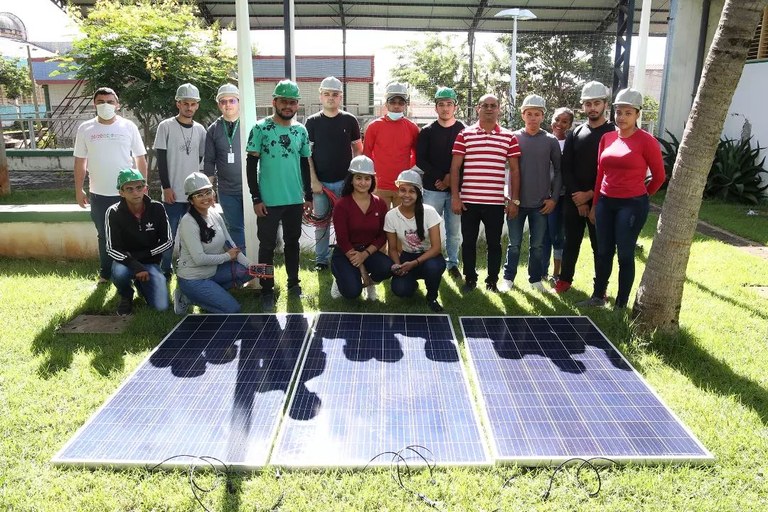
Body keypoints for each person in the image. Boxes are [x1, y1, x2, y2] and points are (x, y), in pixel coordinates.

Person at [581, 88, 665, 309]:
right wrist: (595, 204)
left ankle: (621, 303)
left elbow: (659, 176)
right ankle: (598, 296)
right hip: (606, 203)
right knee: (603, 251)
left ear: (637, 115)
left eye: (628, 113)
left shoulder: (647, 141)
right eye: (619, 112)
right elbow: (600, 174)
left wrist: (642, 196)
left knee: (625, 254)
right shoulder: (607, 138)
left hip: (632, 204)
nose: (622, 117)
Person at [246, 79, 312, 311]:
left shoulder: (300, 130)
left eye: (292, 102)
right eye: (284, 101)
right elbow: (251, 165)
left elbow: (304, 163)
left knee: (292, 244)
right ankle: (266, 290)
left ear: (297, 105)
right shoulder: (260, 128)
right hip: (268, 201)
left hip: (294, 199)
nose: (288, 106)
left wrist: (309, 196)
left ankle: (294, 284)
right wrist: (256, 197)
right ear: (274, 101)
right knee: (265, 246)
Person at [74, 87, 148, 284]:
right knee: (104, 236)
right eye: (100, 101)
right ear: (94, 104)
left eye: (109, 101)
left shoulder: (128, 127)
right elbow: (80, 161)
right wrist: (78, 189)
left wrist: (142, 187)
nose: (105, 105)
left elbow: (140, 158)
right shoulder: (85, 129)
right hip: (98, 194)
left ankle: (133, 272)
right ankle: (105, 274)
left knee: (132, 234)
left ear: (117, 104)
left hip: (128, 194)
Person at [450, 94, 521, 293]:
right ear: (477, 109)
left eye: (493, 105)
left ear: (499, 109)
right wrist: (456, 197)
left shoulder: (509, 137)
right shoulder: (465, 134)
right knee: (469, 242)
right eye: (485, 105)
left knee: (494, 244)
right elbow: (455, 168)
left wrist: (514, 200)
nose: (489, 109)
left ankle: (492, 282)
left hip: (495, 202)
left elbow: (515, 170)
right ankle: (470, 279)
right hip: (469, 201)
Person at [555, 81, 615, 295]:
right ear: (583, 107)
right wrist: (577, 198)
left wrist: (590, 197)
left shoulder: (614, 134)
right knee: (570, 242)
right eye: (588, 104)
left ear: (605, 105)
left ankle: (600, 289)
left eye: (596, 103)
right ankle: (564, 281)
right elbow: (566, 167)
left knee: (601, 247)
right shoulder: (576, 132)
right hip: (574, 199)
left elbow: (610, 171)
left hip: (602, 200)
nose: (592, 108)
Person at [501, 94, 562, 292]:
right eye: (529, 114)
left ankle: (535, 279)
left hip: (541, 204)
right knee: (515, 244)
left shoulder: (550, 140)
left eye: (537, 114)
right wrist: (508, 197)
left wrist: (553, 199)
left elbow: (559, 171)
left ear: (543, 116)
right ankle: (508, 279)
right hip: (516, 203)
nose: (533, 118)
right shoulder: (513, 138)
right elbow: (503, 168)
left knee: (537, 246)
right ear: (523, 115)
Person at [174, 173, 256, 314]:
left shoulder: (213, 213)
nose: (205, 197)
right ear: (191, 200)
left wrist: (251, 266)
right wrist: (227, 256)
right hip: (193, 279)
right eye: (199, 195)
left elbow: (230, 244)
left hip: (213, 272)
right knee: (233, 309)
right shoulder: (188, 222)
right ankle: (188, 296)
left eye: (208, 192)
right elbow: (199, 259)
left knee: (249, 271)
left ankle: (208, 294)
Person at [305, 76, 363, 271]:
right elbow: (307, 155)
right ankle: (321, 260)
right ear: (320, 96)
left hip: (344, 182)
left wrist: (353, 178)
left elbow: (358, 150)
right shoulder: (311, 122)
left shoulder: (350, 120)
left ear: (341, 97)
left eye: (335, 94)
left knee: (345, 223)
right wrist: (314, 181)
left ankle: (343, 256)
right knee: (321, 223)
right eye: (327, 94)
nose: (331, 98)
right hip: (320, 185)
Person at [154, 83, 208, 276]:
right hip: (173, 192)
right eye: (185, 103)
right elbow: (161, 159)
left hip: (193, 195)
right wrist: (166, 187)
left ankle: (187, 266)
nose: (189, 107)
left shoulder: (201, 130)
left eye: (193, 104)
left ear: (197, 105)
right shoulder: (166, 126)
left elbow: (201, 159)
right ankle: (165, 269)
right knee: (169, 235)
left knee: (192, 235)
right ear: (178, 104)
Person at [105, 168, 172, 316]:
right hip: (126, 262)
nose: (135, 192)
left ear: (145, 189)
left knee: (161, 307)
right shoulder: (113, 212)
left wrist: (143, 257)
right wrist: (135, 265)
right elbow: (111, 248)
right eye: (129, 189)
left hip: (150, 261)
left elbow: (168, 241)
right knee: (120, 272)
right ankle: (126, 294)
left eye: (139, 187)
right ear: (121, 192)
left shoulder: (158, 208)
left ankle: (141, 283)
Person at [416, 86, 465, 281]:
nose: (445, 108)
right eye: (441, 105)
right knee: (429, 229)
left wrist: (450, 180)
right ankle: (428, 263)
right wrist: (441, 177)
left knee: (454, 231)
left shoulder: (463, 130)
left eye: (449, 104)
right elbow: (421, 159)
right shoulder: (427, 131)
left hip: (455, 191)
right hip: (432, 189)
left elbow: (468, 160)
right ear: (435, 108)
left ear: (455, 107)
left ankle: (453, 264)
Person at [330, 155, 393, 300]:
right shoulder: (342, 205)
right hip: (346, 252)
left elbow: (382, 236)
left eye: (367, 178)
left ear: (372, 180)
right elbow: (343, 239)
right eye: (358, 178)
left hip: (368, 252)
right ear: (351, 180)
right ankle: (339, 278)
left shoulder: (380, 204)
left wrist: (364, 255)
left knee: (387, 268)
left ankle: (370, 284)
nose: (363, 182)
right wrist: (362, 270)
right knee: (352, 292)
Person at [385, 168, 446, 312]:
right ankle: (411, 284)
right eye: (402, 190)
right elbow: (392, 248)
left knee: (433, 268)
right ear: (398, 191)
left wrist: (414, 263)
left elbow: (436, 248)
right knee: (400, 290)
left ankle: (432, 297)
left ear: (419, 193)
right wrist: (398, 265)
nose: (406, 195)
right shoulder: (391, 216)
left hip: (429, 257)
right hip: (407, 257)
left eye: (411, 191)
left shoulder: (429, 212)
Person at [363, 82, 420, 208]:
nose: (396, 106)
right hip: (380, 185)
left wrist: (405, 171)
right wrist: (373, 178)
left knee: (402, 223)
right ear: (386, 103)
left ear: (405, 105)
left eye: (400, 103)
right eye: (393, 102)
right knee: (380, 223)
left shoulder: (412, 128)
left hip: (403, 186)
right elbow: (366, 154)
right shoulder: (374, 126)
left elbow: (417, 155)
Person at [204, 83, 246, 251]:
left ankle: (256, 262)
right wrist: (209, 190)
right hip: (227, 190)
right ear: (218, 104)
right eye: (223, 101)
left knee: (255, 226)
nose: (227, 104)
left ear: (239, 102)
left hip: (250, 188)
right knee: (235, 228)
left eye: (232, 101)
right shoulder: (213, 129)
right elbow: (209, 161)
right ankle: (242, 263)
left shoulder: (249, 124)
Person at [541, 107, 574, 285]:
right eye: (557, 119)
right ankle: (542, 271)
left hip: (560, 197)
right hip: (542, 195)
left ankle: (556, 272)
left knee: (556, 235)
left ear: (569, 124)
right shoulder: (544, 140)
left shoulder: (570, 143)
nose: (559, 124)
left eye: (564, 121)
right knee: (543, 235)